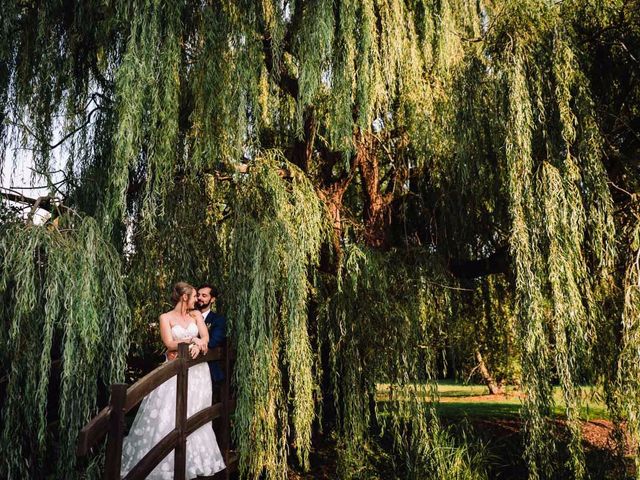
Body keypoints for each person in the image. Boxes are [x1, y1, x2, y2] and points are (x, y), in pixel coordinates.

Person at [121, 282, 226, 479]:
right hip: (175, 369)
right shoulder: (165, 317)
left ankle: (193, 462)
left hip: (198, 373)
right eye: (194, 296)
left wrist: (200, 343)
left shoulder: (196, 316)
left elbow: (205, 337)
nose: (197, 300)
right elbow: (169, 343)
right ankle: (163, 461)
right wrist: (189, 342)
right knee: (169, 412)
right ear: (184, 297)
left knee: (196, 413)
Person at [196, 284, 226, 385]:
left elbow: (213, 342)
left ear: (212, 299)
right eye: (198, 295)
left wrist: (194, 346)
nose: (199, 298)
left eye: (204, 296)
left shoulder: (218, 320)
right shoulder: (187, 317)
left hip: (208, 367)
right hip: (184, 366)